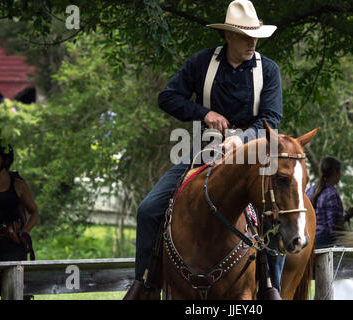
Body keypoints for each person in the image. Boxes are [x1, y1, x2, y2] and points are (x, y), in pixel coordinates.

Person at [125, 0, 284, 298]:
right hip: (204, 153)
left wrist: (243, 138)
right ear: (228, 36)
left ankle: (270, 286)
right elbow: (167, 97)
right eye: (244, 36)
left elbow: (271, 118)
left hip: (252, 157)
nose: (252, 42)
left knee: (278, 213)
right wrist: (203, 113)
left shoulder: (269, 70)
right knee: (148, 210)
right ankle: (145, 283)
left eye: (255, 36)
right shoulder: (201, 63)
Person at [305, 157, 353, 249]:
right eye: (340, 171)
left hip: (309, 241)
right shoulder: (332, 193)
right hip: (324, 242)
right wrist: (347, 216)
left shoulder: (310, 190)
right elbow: (334, 227)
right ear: (336, 172)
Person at [0, 140, 39, 262]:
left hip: (12, 245)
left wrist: (24, 232)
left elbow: (34, 212)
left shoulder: (18, 185)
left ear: (4, 160)